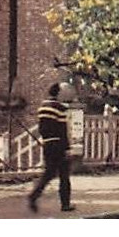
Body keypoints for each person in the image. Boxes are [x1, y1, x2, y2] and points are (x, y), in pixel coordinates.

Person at [28, 82, 75, 213]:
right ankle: (65, 204)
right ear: (58, 93)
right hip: (59, 144)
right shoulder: (60, 108)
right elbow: (62, 130)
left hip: (47, 143)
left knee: (48, 174)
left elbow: (42, 128)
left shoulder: (42, 108)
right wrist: (67, 148)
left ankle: (34, 195)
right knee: (64, 175)